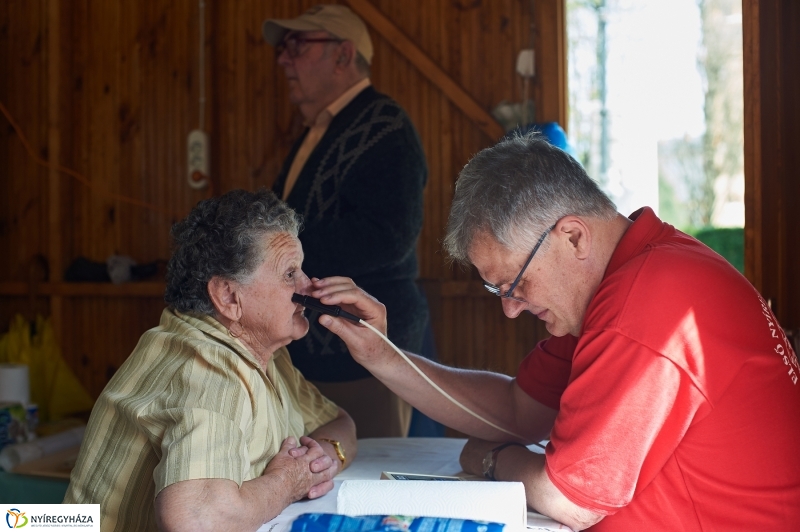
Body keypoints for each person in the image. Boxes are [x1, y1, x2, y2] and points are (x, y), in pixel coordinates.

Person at [306, 134, 800, 530]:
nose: (511, 310)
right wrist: (385, 356)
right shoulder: (622, 280)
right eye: (498, 290)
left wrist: (496, 461)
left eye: (516, 284)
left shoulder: (645, 302)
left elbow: (570, 500)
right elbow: (519, 411)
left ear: (573, 236)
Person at [64, 189, 357, 532]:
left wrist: (320, 460)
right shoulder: (206, 367)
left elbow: (340, 422)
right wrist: (288, 482)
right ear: (228, 296)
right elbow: (197, 521)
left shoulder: (263, 354)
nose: (309, 287)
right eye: (289, 274)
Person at [262, 5, 429, 437]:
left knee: (368, 465)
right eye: (283, 48)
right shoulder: (322, 128)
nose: (283, 59)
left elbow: (389, 235)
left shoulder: (384, 125)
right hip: (317, 349)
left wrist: (276, 255)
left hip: (361, 350)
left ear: (343, 55)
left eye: (298, 46)